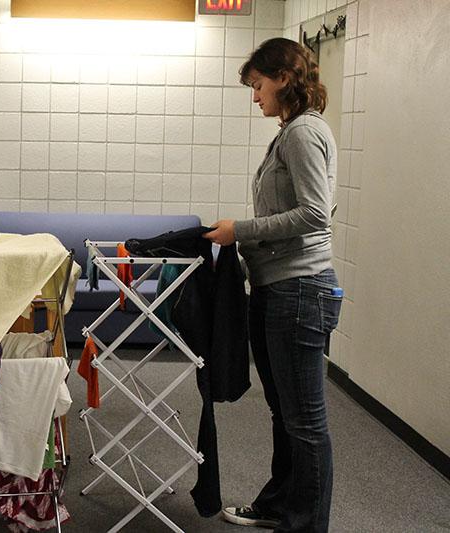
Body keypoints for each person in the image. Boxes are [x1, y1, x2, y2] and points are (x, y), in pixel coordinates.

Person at [203, 38, 342, 533]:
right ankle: (280, 507)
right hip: (279, 288)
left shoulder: (303, 133)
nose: (255, 96)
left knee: (304, 421)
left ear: (283, 78)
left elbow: (314, 213)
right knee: (285, 414)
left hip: (299, 293)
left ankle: (307, 524)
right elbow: (321, 208)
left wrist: (241, 231)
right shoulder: (293, 133)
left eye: (258, 85)